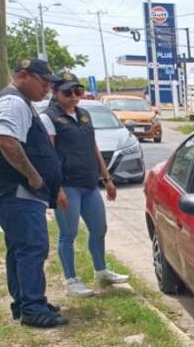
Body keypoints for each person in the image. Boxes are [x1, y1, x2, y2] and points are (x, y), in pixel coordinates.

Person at [0, 58, 68, 327]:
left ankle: (26, 302)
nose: (47, 89)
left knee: (20, 247)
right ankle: (32, 307)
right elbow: (7, 142)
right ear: (23, 75)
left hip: (16, 191)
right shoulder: (13, 102)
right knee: (32, 246)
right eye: (43, 82)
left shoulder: (21, 102)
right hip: (16, 190)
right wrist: (33, 176)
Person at [39, 72, 129, 297]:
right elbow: (48, 155)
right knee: (68, 233)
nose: (73, 96)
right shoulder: (49, 118)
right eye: (67, 92)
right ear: (55, 93)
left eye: (77, 91)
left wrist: (106, 178)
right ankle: (71, 280)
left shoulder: (84, 114)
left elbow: (93, 147)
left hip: (89, 183)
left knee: (99, 228)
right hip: (67, 185)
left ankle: (101, 270)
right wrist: (56, 187)